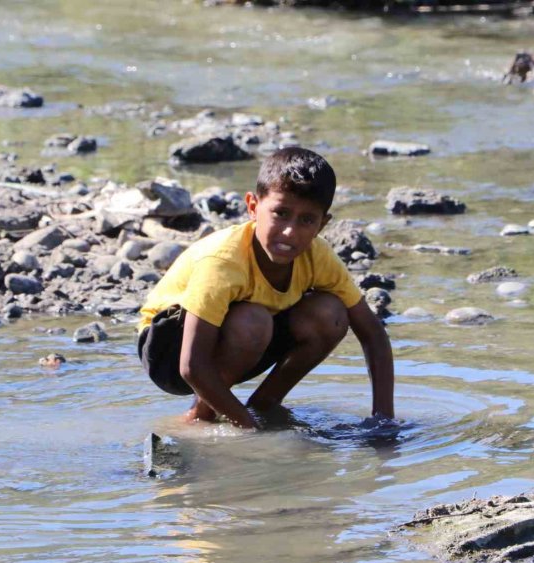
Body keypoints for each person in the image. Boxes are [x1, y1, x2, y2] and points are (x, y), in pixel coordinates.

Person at [137, 147, 394, 429]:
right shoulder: (223, 261)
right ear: (252, 207)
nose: (290, 232)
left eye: (307, 220)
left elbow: (373, 334)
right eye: (280, 213)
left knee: (330, 314)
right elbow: (191, 366)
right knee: (253, 320)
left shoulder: (318, 256)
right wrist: (250, 431)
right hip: (168, 349)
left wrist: (383, 422)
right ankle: (199, 417)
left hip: (240, 334)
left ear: (322, 224)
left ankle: (264, 406)